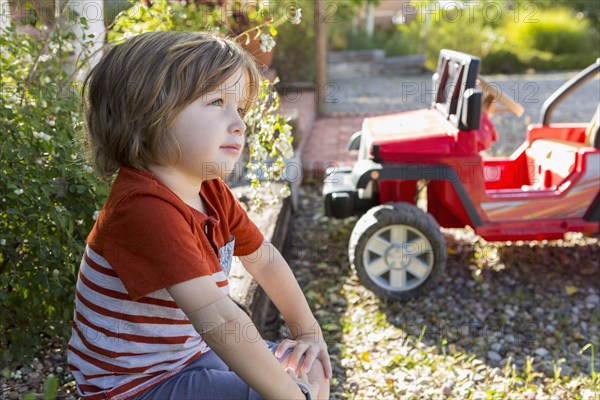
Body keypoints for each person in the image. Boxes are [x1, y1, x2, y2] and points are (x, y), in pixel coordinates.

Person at [67, 31, 331, 400]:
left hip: (187, 357)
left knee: (309, 367)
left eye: (240, 109)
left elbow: (265, 260)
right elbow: (220, 320)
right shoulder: (143, 207)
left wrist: (307, 333)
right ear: (148, 111)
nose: (238, 123)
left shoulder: (209, 189)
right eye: (217, 102)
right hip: (134, 386)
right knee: (286, 390)